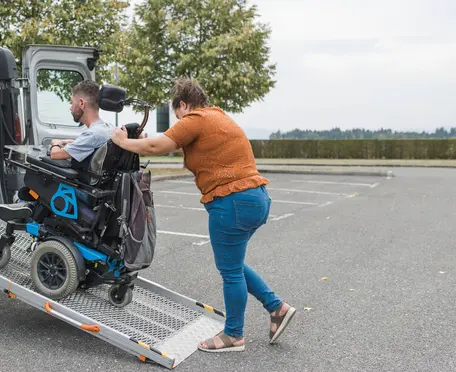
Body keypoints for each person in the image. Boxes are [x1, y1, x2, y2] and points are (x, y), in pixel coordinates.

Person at [110, 77, 296, 352]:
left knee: (231, 271)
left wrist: (123, 142)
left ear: (183, 105)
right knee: (234, 264)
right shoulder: (217, 116)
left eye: (177, 115)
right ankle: (277, 308)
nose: (178, 121)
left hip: (231, 201)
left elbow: (155, 147)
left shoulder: (195, 118)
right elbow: (167, 141)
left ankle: (233, 335)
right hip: (256, 197)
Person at [49, 80, 114, 166]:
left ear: (82, 103)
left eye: (72, 102)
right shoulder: (109, 128)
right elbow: (91, 144)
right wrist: (72, 142)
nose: (70, 108)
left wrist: (56, 143)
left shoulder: (92, 134)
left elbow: (55, 154)